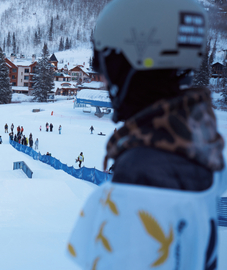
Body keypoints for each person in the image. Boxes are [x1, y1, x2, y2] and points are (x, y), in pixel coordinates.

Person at [68, 0, 225, 269]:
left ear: (133, 63)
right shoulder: (199, 144)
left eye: (108, 68)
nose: (105, 81)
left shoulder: (144, 175)